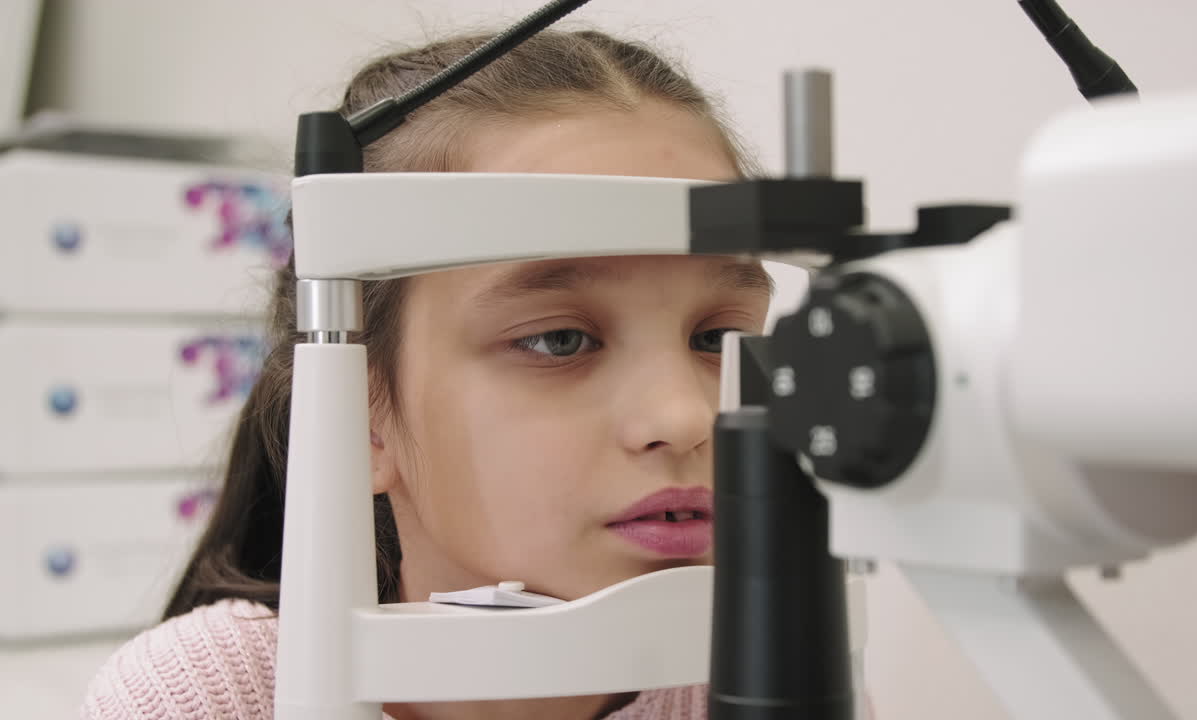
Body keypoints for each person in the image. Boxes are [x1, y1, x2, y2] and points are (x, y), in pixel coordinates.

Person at [80, 27, 777, 720]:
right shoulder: (203, 700)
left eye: (718, 337)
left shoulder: (782, 675)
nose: (686, 416)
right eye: (559, 340)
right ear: (358, 417)